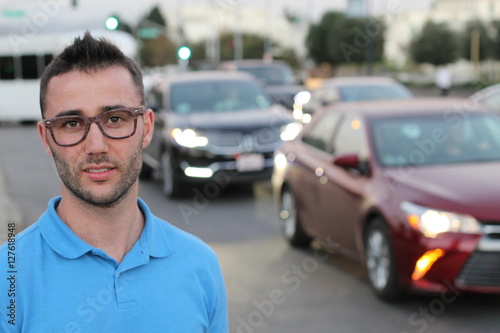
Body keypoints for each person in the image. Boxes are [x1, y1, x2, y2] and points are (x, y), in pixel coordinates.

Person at [0, 32, 228, 332]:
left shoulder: (201, 266)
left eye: (115, 119)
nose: (96, 146)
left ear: (146, 128)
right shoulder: (8, 278)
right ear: (46, 138)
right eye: (72, 123)